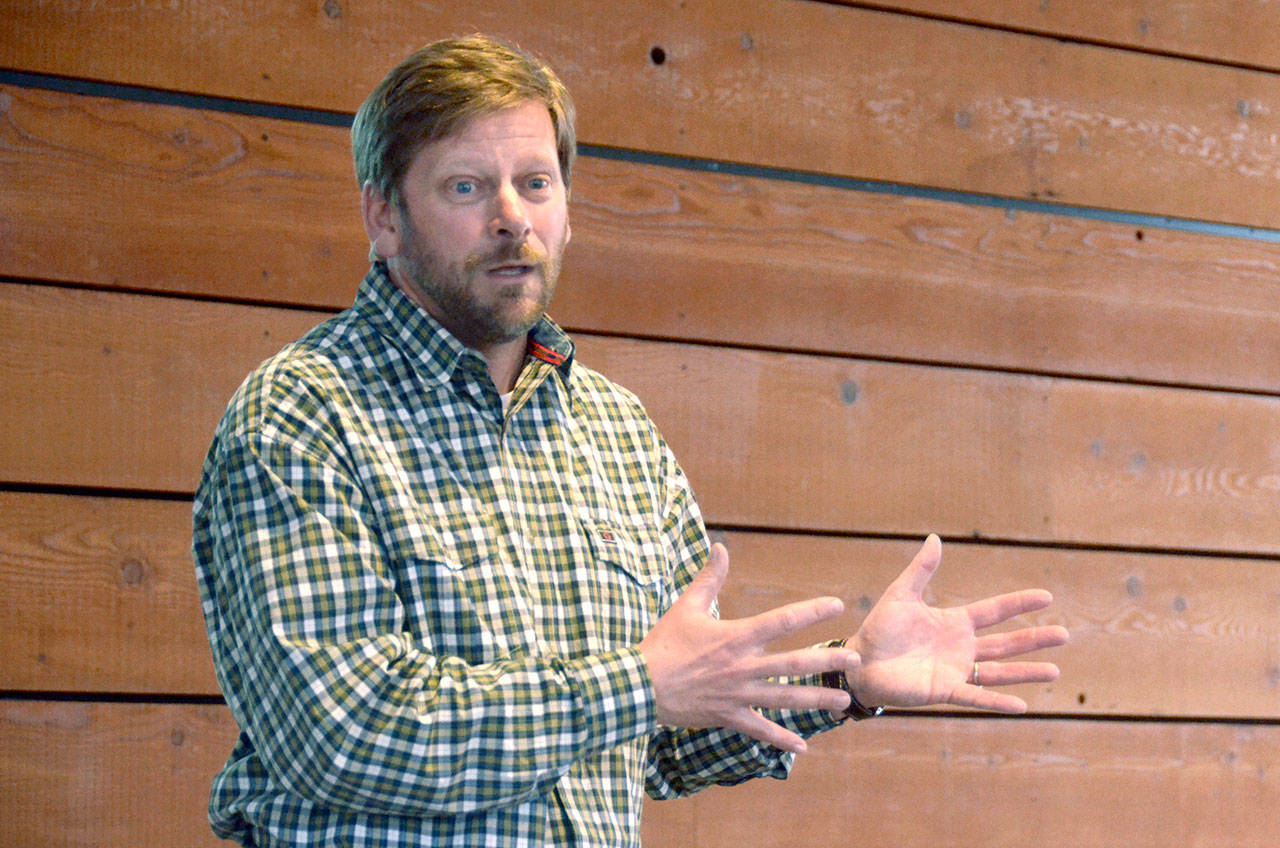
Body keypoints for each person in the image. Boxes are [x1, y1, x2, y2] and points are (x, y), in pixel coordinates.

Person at [193, 33, 1068, 848]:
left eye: (536, 183)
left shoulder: (615, 431)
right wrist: (634, 687)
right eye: (466, 187)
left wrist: (846, 682)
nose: (511, 217)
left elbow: (668, 741)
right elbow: (342, 736)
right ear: (384, 218)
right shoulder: (302, 416)